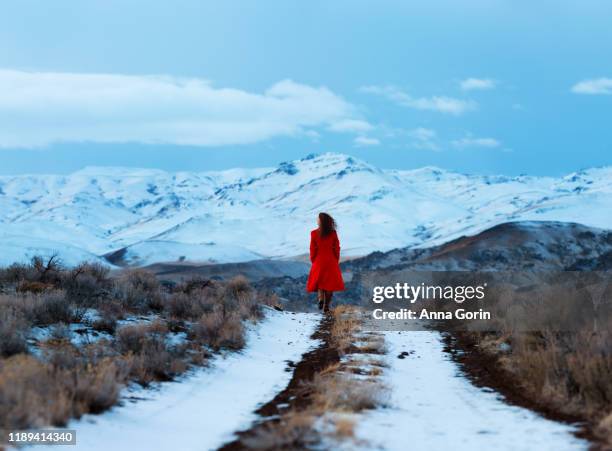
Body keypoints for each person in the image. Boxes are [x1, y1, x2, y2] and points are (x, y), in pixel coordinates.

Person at [306, 212, 345, 313]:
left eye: (318, 219)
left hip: (318, 261)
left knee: (320, 282)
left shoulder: (314, 233)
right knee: (329, 284)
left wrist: (313, 260)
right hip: (331, 261)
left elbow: (312, 249)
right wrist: (335, 259)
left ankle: (320, 299)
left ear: (321, 221)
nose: (317, 220)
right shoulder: (333, 233)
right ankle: (326, 306)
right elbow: (337, 248)